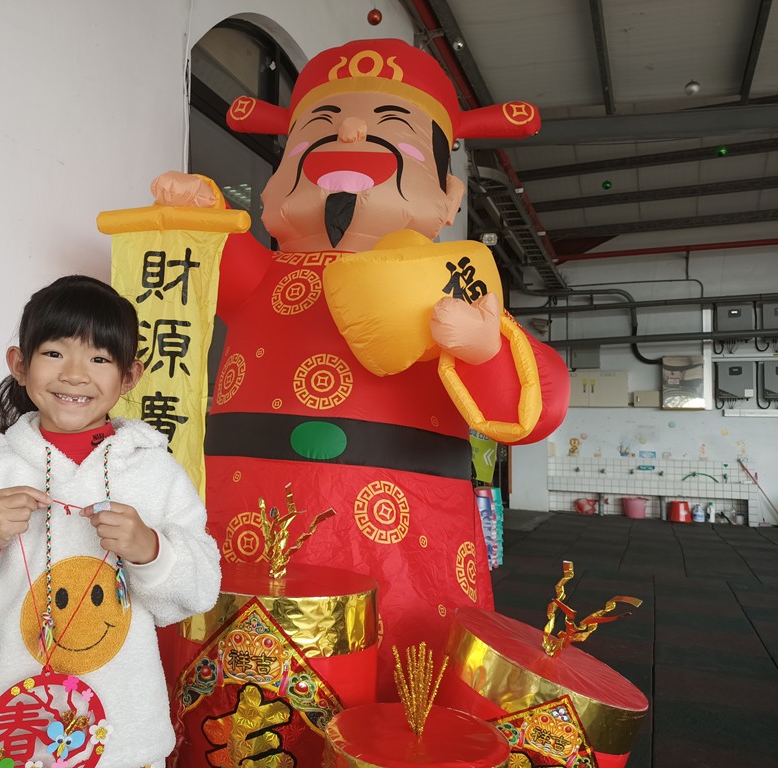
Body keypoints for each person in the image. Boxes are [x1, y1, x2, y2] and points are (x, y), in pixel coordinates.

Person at [150, 39, 568, 696]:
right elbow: (203, 264)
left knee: (400, 669)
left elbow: (537, 407)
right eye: (320, 123)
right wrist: (196, 215)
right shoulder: (265, 272)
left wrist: (485, 350)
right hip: (244, 507)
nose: (348, 131)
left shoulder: (445, 283)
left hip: (406, 528)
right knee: (229, 668)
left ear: (448, 195)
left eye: (390, 125)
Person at [0, 275, 222, 768]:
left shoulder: (155, 475)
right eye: (54, 353)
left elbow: (198, 593)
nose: (74, 375)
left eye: (99, 359)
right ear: (19, 365)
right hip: (4, 735)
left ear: (130, 376)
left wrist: (150, 550)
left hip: (122, 739)